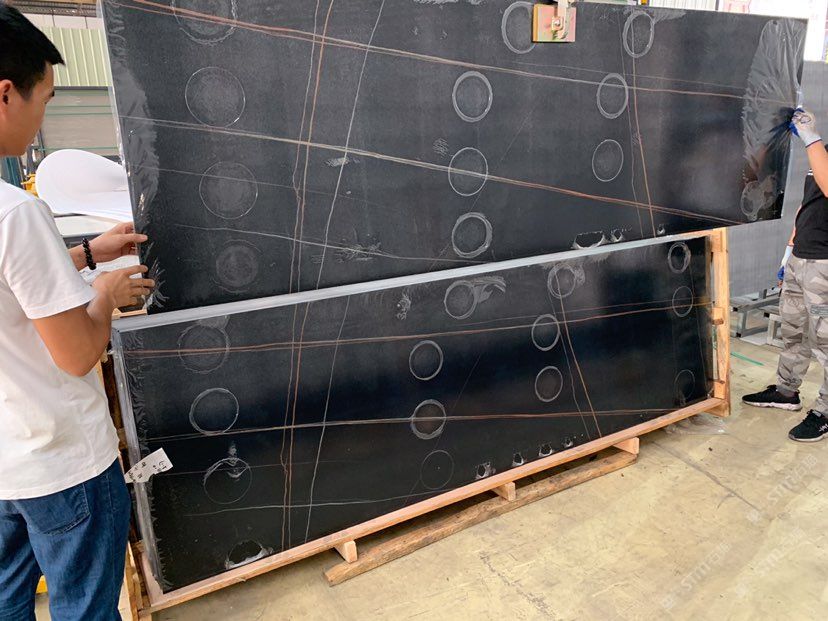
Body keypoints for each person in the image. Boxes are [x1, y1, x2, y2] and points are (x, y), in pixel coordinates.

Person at [0, 7, 154, 620]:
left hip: (5, 465)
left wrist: (88, 253)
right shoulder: (16, 214)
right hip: (60, 464)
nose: (43, 117)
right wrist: (106, 295)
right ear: (5, 94)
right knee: (85, 609)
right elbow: (77, 354)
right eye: (44, 99)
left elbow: (12, 289)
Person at [743, 107, 828, 443]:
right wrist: (789, 251)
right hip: (802, 257)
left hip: (825, 264)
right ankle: (786, 392)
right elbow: (807, 205)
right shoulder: (821, 153)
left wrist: (811, 138)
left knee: (825, 341)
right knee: (793, 331)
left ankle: (825, 412)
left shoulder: (817, 149)